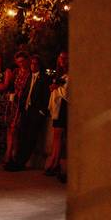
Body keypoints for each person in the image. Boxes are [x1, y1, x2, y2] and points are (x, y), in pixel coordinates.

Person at [4, 54, 51, 172]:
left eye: (35, 63)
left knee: (30, 138)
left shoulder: (44, 78)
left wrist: (41, 112)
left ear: (39, 65)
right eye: (32, 63)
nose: (33, 65)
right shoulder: (30, 76)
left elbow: (46, 96)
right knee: (22, 136)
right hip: (26, 110)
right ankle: (17, 161)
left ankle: (20, 163)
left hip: (36, 112)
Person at [45, 51, 69, 182]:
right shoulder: (60, 74)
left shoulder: (70, 73)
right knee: (56, 135)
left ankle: (56, 163)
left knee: (59, 134)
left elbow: (68, 90)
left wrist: (57, 87)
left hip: (65, 106)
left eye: (65, 58)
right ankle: (54, 160)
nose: (62, 61)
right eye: (60, 58)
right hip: (58, 106)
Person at [4, 51, 31, 164]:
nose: (21, 64)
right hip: (13, 102)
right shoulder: (16, 72)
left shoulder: (29, 73)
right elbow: (9, 85)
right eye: (18, 61)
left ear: (26, 60)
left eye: (22, 61)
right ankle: (9, 153)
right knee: (10, 128)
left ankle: (12, 154)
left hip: (22, 103)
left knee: (16, 129)